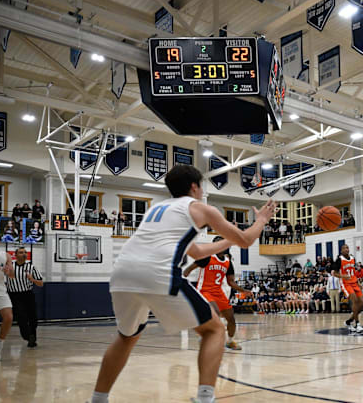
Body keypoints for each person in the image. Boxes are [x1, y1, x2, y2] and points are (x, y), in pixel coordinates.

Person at [90, 165, 276, 403]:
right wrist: (261, 220)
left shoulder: (156, 209)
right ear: (194, 186)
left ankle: (97, 399)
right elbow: (247, 240)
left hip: (121, 273)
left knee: (126, 337)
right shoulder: (199, 207)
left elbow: (197, 252)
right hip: (157, 271)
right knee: (214, 329)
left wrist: (226, 243)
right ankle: (205, 398)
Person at [183, 237, 253, 351]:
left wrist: (243, 290)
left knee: (231, 318)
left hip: (218, 292)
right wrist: (182, 282)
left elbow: (231, 282)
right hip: (204, 290)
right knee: (214, 312)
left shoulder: (227, 262)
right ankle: (205, 336)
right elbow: (188, 269)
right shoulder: (207, 257)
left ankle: (230, 341)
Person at [6, 247, 43, 348]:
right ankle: (27, 336)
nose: (24, 254)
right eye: (21, 252)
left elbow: (41, 283)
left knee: (33, 319)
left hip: (28, 294)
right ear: (16, 255)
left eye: (25, 252)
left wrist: (32, 279)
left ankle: (32, 339)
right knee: (21, 317)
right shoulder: (9, 267)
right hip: (14, 295)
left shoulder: (31, 267)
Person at [330, 244, 363, 332]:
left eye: (347, 248)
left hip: (354, 282)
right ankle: (357, 324)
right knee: (354, 301)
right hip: (345, 283)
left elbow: (353, 272)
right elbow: (334, 273)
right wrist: (342, 275)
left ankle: (349, 321)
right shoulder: (339, 259)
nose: (346, 249)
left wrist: (358, 282)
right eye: (344, 248)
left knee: (362, 303)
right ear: (341, 251)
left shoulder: (353, 258)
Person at [0, 234, 15, 361]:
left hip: (0, 291)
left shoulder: (6, 256)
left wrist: (8, 271)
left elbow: (12, 275)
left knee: (9, 317)